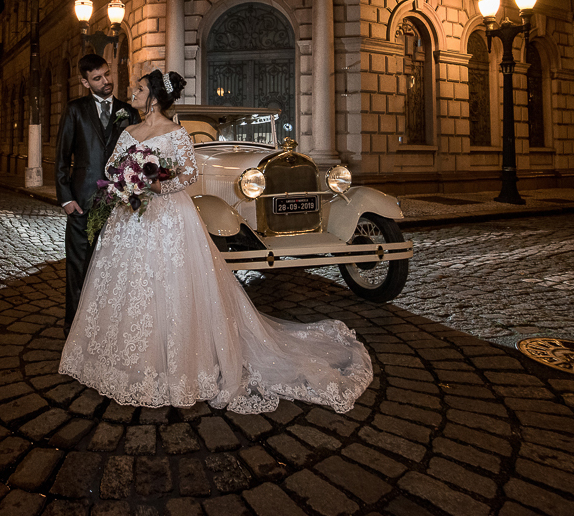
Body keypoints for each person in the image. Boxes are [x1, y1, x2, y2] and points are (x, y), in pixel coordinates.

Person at [59, 69, 372, 414]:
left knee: (171, 283)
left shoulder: (176, 132)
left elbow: (189, 173)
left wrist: (157, 184)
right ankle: (123, 360)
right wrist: (127, 179)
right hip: (130, 218)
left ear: (154, 98)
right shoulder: (128, 131)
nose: (132, 92)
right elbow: (111, 167)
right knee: (128, 285)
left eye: (140, 88)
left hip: (169, 217)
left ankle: (179, 363)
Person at [55, 54, 139, 331]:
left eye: (107, 74)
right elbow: (61, 157)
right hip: (81, 201)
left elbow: (137, 156)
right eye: (97, 78)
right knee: (78, 264)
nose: (106, 81)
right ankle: (75, 324)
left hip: (119, 203)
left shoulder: (129, 111)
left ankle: (110, 323)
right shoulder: (75, 110)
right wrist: (66, 198)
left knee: (115, 265)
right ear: (84, 82)